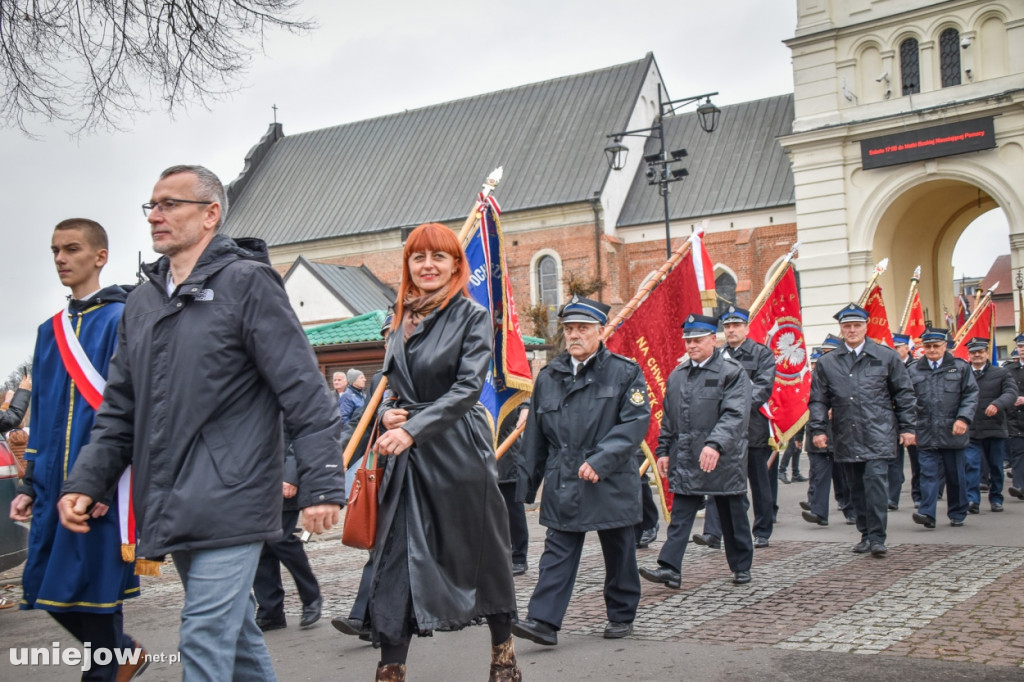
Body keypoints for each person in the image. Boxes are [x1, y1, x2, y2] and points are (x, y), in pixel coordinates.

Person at [57, 165, 345, 681]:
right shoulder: (142, 301)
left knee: (203, 635)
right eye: (152, 206)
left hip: (233, 493)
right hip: (170, 497)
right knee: (234, 638)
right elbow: (121, 407)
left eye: (171, 204)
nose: (156, 216)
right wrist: (87, 480)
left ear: (210, 214)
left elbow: (302, 388)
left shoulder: (247, 283)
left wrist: (321, 482)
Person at [367, 223, 519, 682]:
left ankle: (503, 653)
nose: (427, 266)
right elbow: (394, 386)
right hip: (408, 458)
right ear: (408, 265)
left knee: (482, 555)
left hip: (458, 451)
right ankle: (390, 669)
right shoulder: (398, 317)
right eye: (419, 257)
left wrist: (413, 428)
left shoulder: (471, 316)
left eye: (438, 257)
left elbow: (467, 389)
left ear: (456, 265)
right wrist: (390, 415)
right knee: (395, 560)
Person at [9, 218, 145, 682]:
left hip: (101, 480)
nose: (61, 259)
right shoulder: (50, 331)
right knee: (42, 585)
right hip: (52, 483)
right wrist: (30, 481)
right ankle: (121, 655)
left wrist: (105, 481)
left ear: (99, 257)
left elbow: (129, 408)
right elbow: (42, 408)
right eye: (55, 251)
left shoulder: (122, 318)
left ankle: (105, 670)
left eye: (71, 249)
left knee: (97, 588)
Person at [513, 295, 649, 646]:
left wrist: (601, 460)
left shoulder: (624, 372)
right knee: (557, 550)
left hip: (610, 479)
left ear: (601, 331)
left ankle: (621, 615)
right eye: (570, 329)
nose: (575, 335)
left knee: (619, 551)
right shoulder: (549, 376)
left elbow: (634, 424)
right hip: (564, 479)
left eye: (583, 329)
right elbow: (535, 438)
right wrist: (526, 486)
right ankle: (543, 621)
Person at [638, 313, 754, 588]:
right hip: (687, 456)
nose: (691, 345)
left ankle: (741, 566)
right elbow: (669, 419)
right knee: (681, 515)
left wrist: (715, 444)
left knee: (731, 513)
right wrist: (663, 450)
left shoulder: (732, 372)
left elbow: (735, 415)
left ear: (713, 340)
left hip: (723, 457)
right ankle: (670, 568)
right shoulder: (678, 375)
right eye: (688, 341)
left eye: (698, 340)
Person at [808, 303, 916, 558]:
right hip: (846, 433)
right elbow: (818, 400)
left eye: (857, 325)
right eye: (847, 326)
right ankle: (865, 533)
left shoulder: (885, 356)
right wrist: (818, 429)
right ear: (841, 329)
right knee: (855, 487)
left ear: (866, 327)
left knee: (875, 484)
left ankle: (878, 537)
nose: (852, 330)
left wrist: (908, 427)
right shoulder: (828, 362)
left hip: (878, 431)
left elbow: (904, 393)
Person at [332, 311, 393, 645]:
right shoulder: (382, 375)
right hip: (385, 470)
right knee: (381, 545)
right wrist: (343, 459)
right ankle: (364, 618)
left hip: (425, 471)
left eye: (395, 333)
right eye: (386, 335)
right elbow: (364, 424)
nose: (390, 341)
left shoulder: (430, 369)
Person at [698, 306, 776, 549]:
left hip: (752, 428)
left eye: (736, 326)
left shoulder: (761, 354)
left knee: (759, 483)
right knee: (717, 481)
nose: (731, 330)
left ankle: (762, 530)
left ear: (746, 328)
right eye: (728, 326)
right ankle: (713, 532)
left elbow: (763, 388)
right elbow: (707, 389)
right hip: (723, 432)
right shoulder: (717, 356)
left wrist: (734, 406)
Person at [908, 328, 978, 529]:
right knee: (927, 473)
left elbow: (971, 394)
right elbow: (906, 400)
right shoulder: (914, 370)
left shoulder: (960, 367)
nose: (931, 350)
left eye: (935, 346)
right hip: (925, 430)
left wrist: (963, 418)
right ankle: (927, 513)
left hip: (952, 429)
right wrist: (909, 427)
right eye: (927, 346)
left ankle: (957, 512)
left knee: (955, 474)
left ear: (944, 346)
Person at [252, 436, 323, 632]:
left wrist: (291, 474)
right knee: (260, 545)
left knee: (281, 540)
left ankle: (311, 598)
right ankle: (270, 612)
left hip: (281, 476)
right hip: (252, 480)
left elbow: (301, 435)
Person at [800, 345, 855, 527]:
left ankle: (851, 510)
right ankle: (818, 512)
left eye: (828, 352)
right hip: (819, 431)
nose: (824, 357)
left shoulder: (847, 371)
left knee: (845, 477)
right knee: (819, 474)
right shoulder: (811, 376)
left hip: (841, 432)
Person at [964, 337, 1017, 514]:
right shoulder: (963, 374)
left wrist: (997, 404)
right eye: (973, 352)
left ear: (987, 353)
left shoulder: (1000, 373)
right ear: (969, 355)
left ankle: (996, 498)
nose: (977, 355)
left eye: (980, 352)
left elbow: (1011, 393)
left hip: (994, 428)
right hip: (970, 429)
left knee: (995, 466)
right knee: (971, 465)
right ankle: (972, 500)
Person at [497, 404, 531, 576]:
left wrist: (525, 407)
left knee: (513, 512)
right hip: (484, 458)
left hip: (507, 458)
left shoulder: (509, 384)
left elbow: (526, 396)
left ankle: (518, 558)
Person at [1005, 333, 1024, 501]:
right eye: (1020, 347)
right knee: (1018, 453)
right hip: (1015, 419)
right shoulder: (1009, 369)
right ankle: (1019, 486)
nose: (1023, 350)